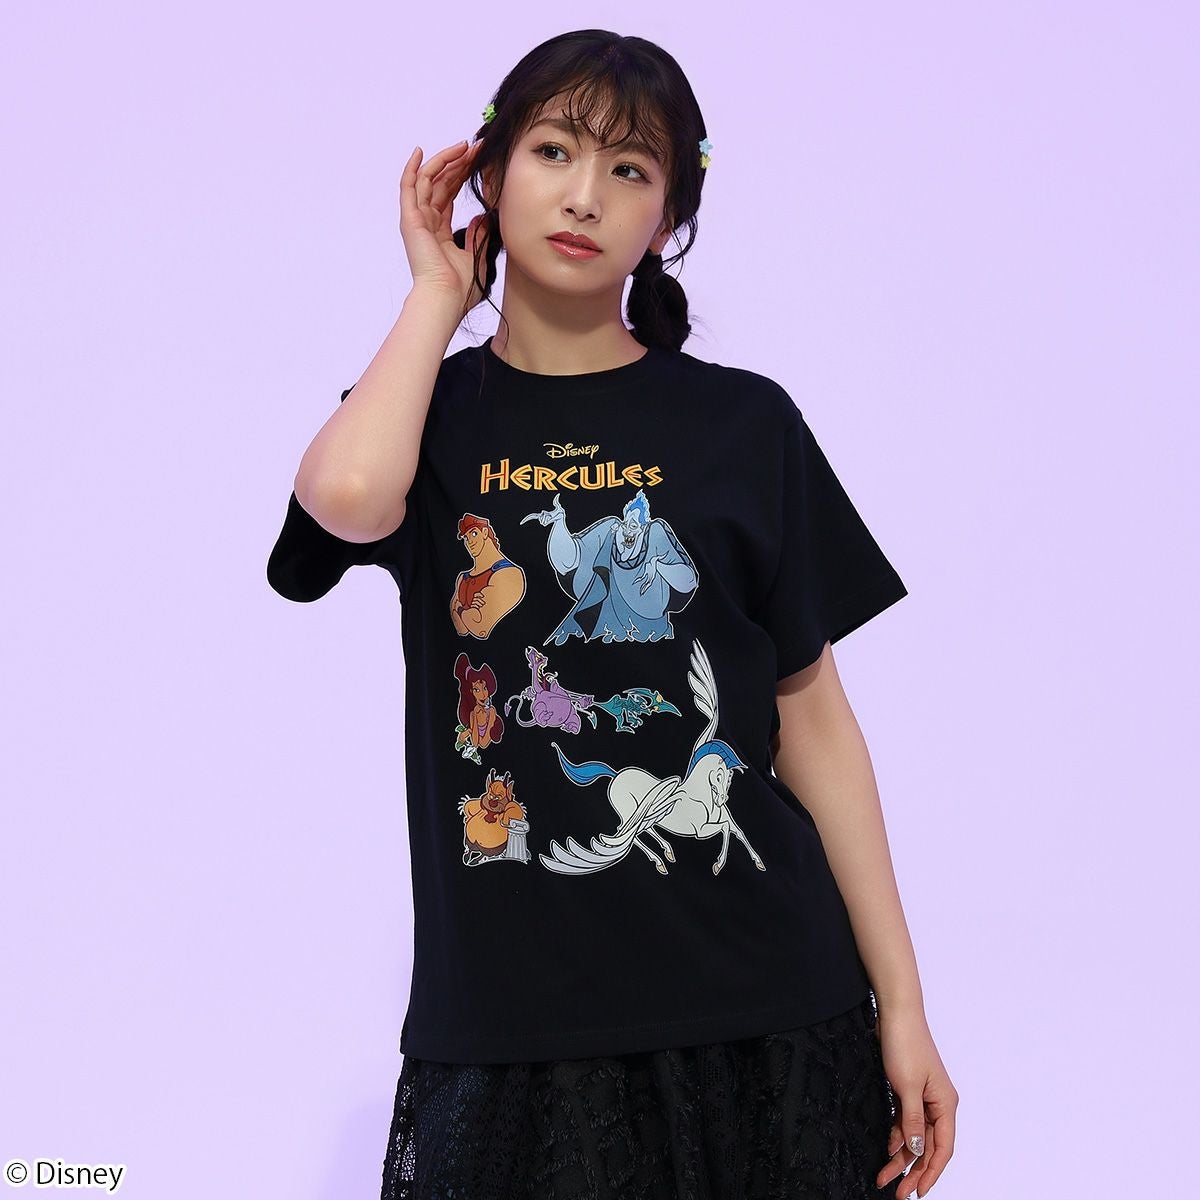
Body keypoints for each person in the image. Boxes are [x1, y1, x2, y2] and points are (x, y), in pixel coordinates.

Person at [266, 28, 958, 1200]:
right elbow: (346, 496)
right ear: (489, 173)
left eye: (630, 169)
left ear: (669, 217)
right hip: (514, 1029)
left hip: (770, 1011)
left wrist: (905, 1005)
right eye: (553, 151)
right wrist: (437, 294)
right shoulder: (425, 414)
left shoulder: (744, 425)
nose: (586, 194)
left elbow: (814, 724)